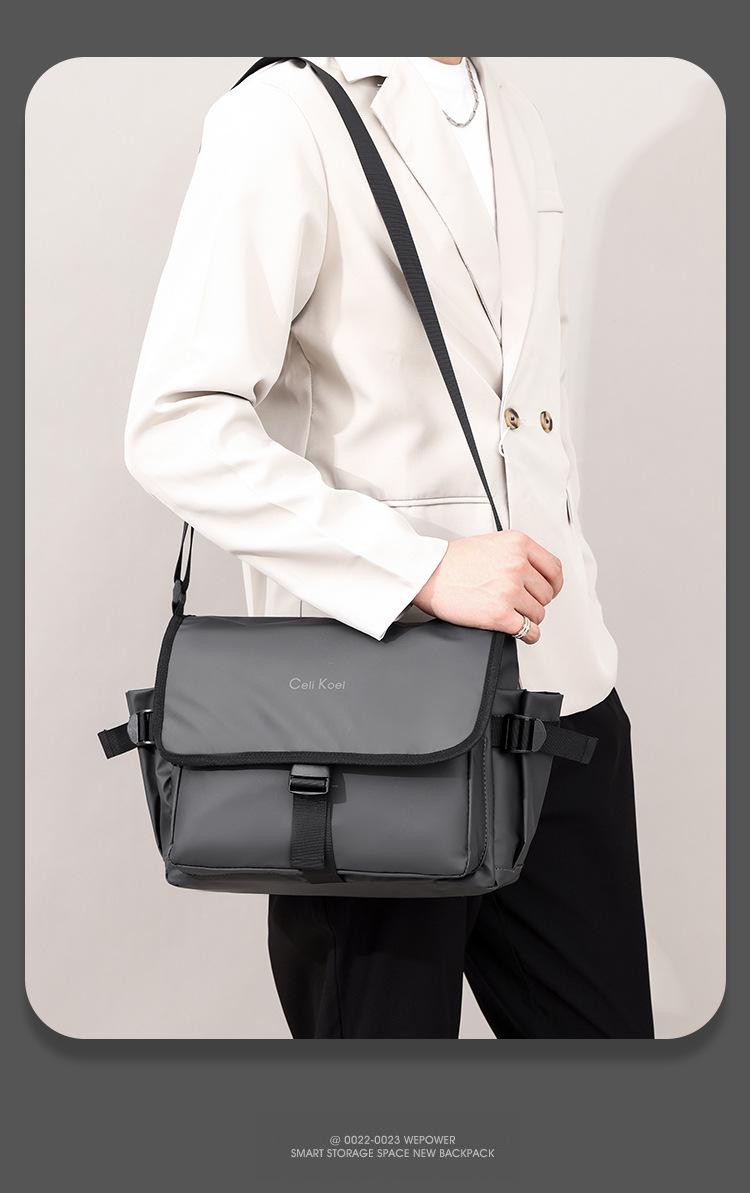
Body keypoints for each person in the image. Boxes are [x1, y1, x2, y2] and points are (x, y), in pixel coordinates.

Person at [125, 56, 654, 1038]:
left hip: (559, 698)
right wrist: (420, 567)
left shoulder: (515, 113)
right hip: (367, 732)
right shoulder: (285, 113)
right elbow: (176, 423)